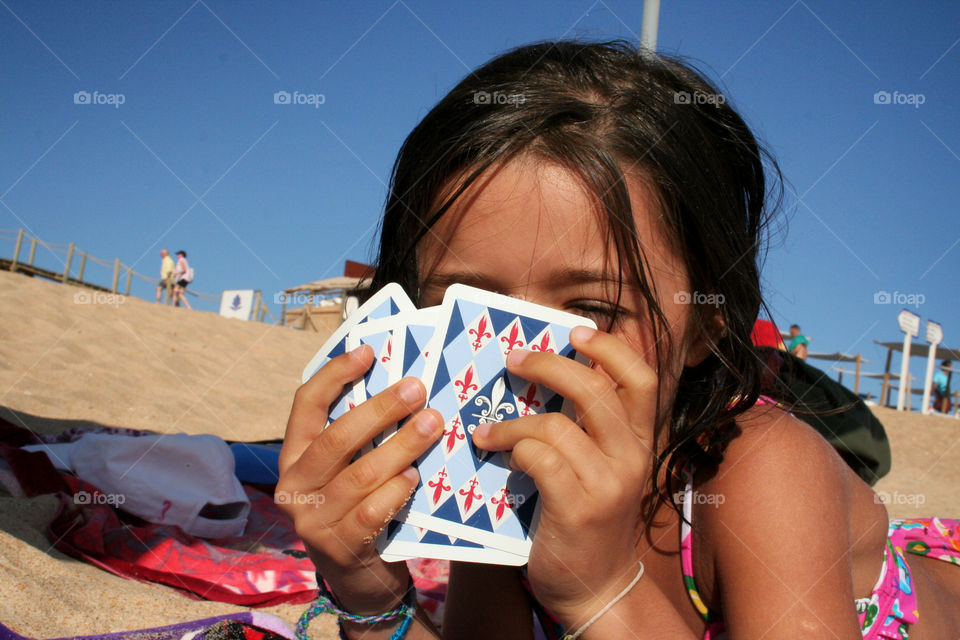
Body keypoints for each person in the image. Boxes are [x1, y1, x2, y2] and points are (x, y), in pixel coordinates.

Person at [277, 41, 960, 639]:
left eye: (594, 306)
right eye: (469, 305)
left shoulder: (758, 471)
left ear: (704, 326)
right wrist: (371, 595)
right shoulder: (503, 479)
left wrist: (599, 592)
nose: (524, 361)